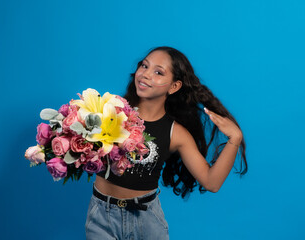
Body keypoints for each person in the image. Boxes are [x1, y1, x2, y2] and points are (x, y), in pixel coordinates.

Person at [85, 46, 248, 239]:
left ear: (174, 86)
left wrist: (235, 139)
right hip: (102, 218)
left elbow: (211, 182)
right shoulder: (110, 110)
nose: (145, 74)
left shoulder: (176, 133)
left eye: (158, 72)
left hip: (146, 221)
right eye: (144, 66)